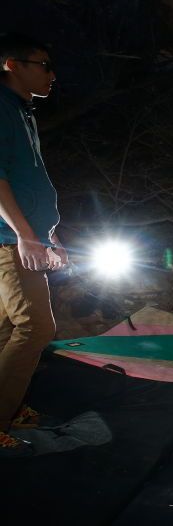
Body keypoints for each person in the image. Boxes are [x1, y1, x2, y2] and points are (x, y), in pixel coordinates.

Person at [0, 33, 68, 457]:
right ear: (12, 65)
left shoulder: (20, 112)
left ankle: (10, 404)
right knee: (36, 327)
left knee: (8, 328)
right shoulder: (2, 109)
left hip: (20, 235)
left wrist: (48, 234)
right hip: (9, 239)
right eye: (43, 65)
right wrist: (26, 236)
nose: (52, 74)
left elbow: (28, 180)